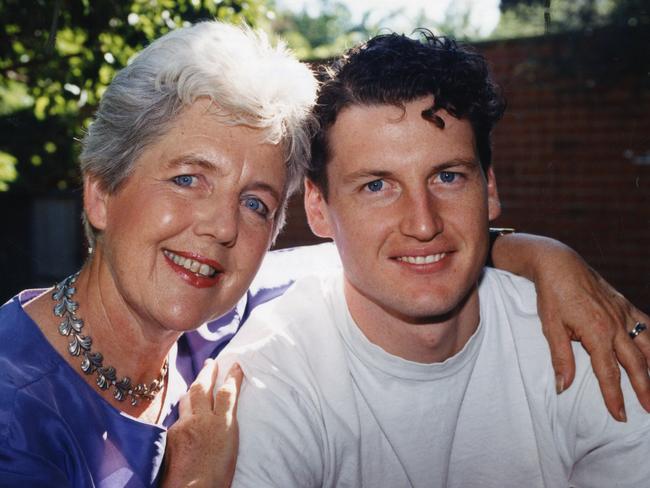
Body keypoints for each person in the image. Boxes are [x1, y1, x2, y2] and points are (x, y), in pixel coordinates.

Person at [0, 19, 646, 487]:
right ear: (102, 192)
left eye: (254, 201)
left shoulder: (222, 311)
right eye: (188, 178)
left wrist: (544, 258)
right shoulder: (13, 411)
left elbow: (402, 255)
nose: (221, 227)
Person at [216, 31, 650, 487]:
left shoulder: (581, 338)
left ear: (489, 189)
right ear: (318, 207)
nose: (423, 224)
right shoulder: (270, 375)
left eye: (447, 176)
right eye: (377, 186)